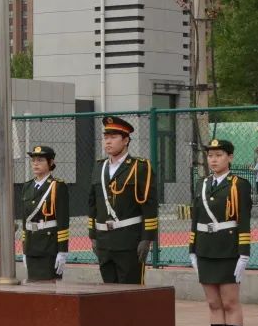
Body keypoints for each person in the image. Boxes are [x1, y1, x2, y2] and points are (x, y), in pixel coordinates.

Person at [190, 139, 252, 326]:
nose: (213, 160)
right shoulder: (202, 184)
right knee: (213, 303)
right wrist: (192, 249)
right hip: (205, 249)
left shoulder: (239, 185)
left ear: (230, 157)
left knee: (230, 303)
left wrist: (243, 253)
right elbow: (195, 218)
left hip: (228, 250)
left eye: (219, 155)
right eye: (210, 156)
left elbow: (243, 220)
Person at [86, 116, 158, 284]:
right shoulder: (99, 166)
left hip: (129, 240)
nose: (108, 142)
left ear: (125, 140)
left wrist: (146, 238)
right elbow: (92, 204)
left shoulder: (140, 167)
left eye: (113, 137)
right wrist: (93, 235)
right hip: (104, 241)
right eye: (106, 137)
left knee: (130, 292)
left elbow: (149, 205)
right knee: (108, 291)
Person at [20, 145, 70, 282]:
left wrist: (62, 251)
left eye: (40, 160)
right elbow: (25, 220)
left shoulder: (57, 186)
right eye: (33, 160)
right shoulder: (27, 186)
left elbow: (63, 220)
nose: (35, 164)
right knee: (33, 286)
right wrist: (24, 249)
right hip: (31, 246)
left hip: (49, 247)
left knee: (49, 286)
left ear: (51, 162)